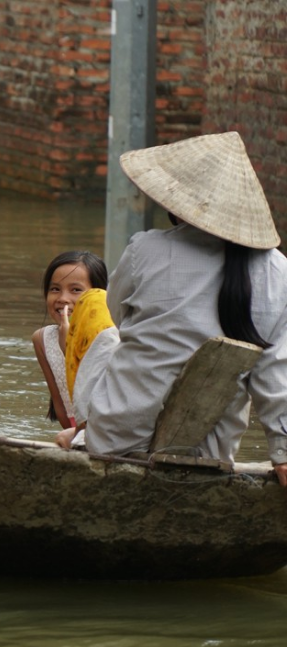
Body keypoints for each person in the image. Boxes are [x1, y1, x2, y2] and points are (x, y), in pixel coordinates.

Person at [63, 131, 287, 486]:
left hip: (117, 441)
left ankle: (79, 433)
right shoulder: (280, 271)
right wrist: (282, 454)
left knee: (107, 338)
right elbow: (275, 374)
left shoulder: (145, 249)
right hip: (211, 453)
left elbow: (119, 319)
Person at [31, 251, 108, 429]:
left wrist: (70, 346)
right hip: (74, 430)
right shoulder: (42, 339)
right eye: (55, 289)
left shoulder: (110, 337)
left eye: (76, 290)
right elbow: (61, 407)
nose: (63, 299)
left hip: (105, 429)